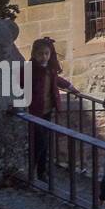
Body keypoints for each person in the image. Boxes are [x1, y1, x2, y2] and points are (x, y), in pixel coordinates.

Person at [28, 37, 77, 180]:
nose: (43, 57)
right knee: (40, 143)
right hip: (35, 112)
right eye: (40, 54)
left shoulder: (50, 69)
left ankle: (42, 171)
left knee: (46, 142)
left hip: (47, 110)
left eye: (46, 54)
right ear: (34, 54)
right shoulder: (30, 70)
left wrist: (70, 87)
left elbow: (57, 80)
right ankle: (33, 171)